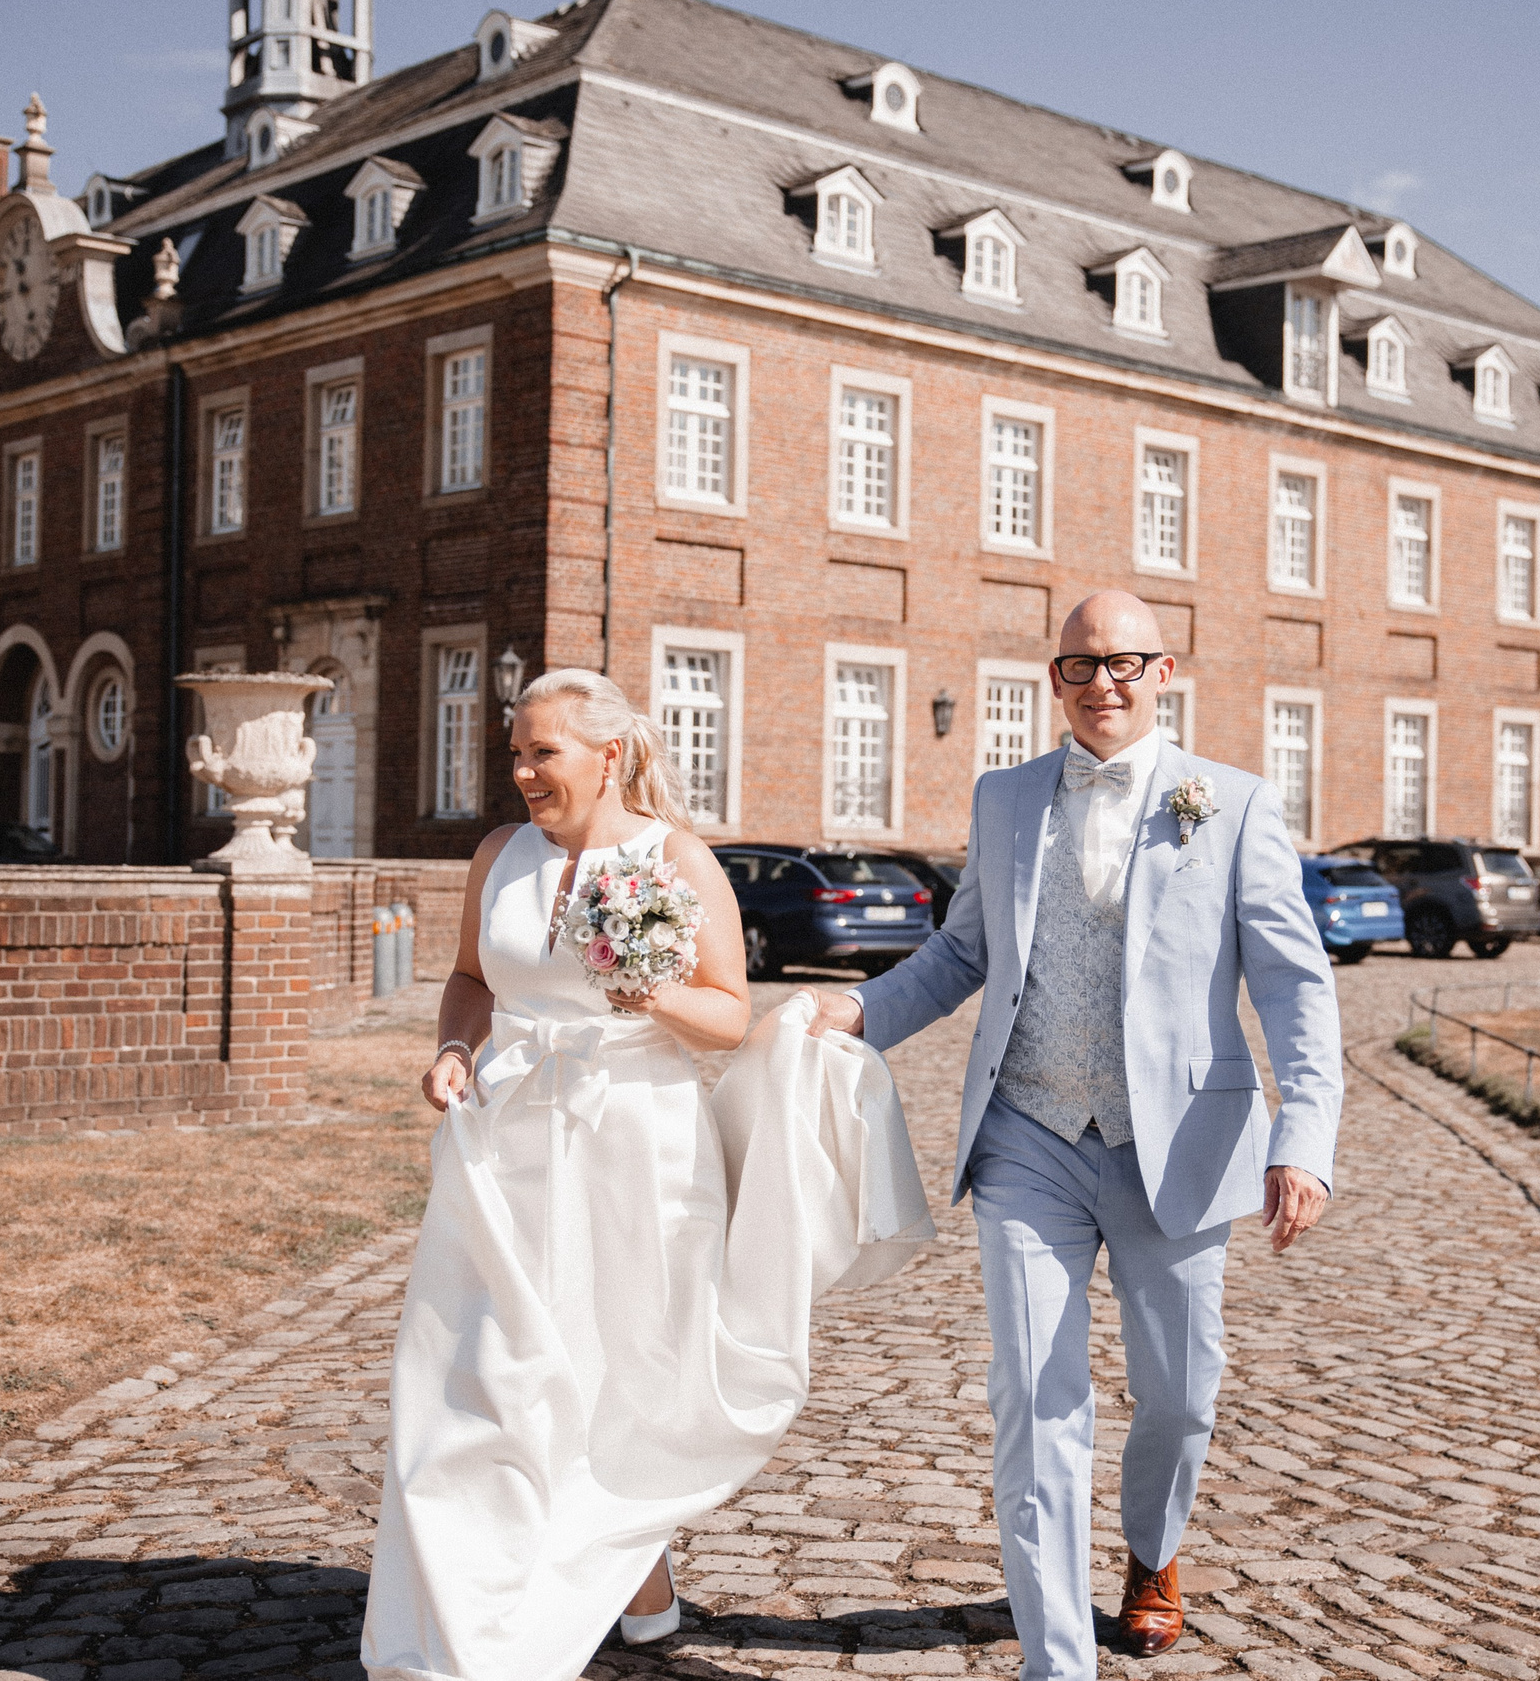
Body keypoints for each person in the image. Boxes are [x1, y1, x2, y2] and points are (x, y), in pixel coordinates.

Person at [810, 591, 1344, 1680]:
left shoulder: (1231, 803)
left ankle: (1153, 1552)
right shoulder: (1004, 798)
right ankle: (1058, 1662)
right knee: (1035, 1392)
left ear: (1164, 671)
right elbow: (961, 956)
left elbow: (1293, 983)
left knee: (1181, 1393)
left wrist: (1307, 1134)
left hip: (1182, 1145)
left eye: (1123, 664)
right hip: (1027, 1137)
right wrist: (856, 1013)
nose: (1101, 684)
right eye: (1079, 666)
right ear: (1054, 678)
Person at [363, 668, 933, 1681]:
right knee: (481, 1370)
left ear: (609, 756)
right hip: (503, 1142)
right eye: (516, 753)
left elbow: (725, 1016)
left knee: (618, 1371)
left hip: (636, 1145)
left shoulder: (674, 859)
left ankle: (633, 1571)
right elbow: (467, 978)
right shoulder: (497, 854)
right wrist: (455, 1047)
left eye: (544, 753)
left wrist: (647, 990)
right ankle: (469, 1628)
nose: (523, 772)